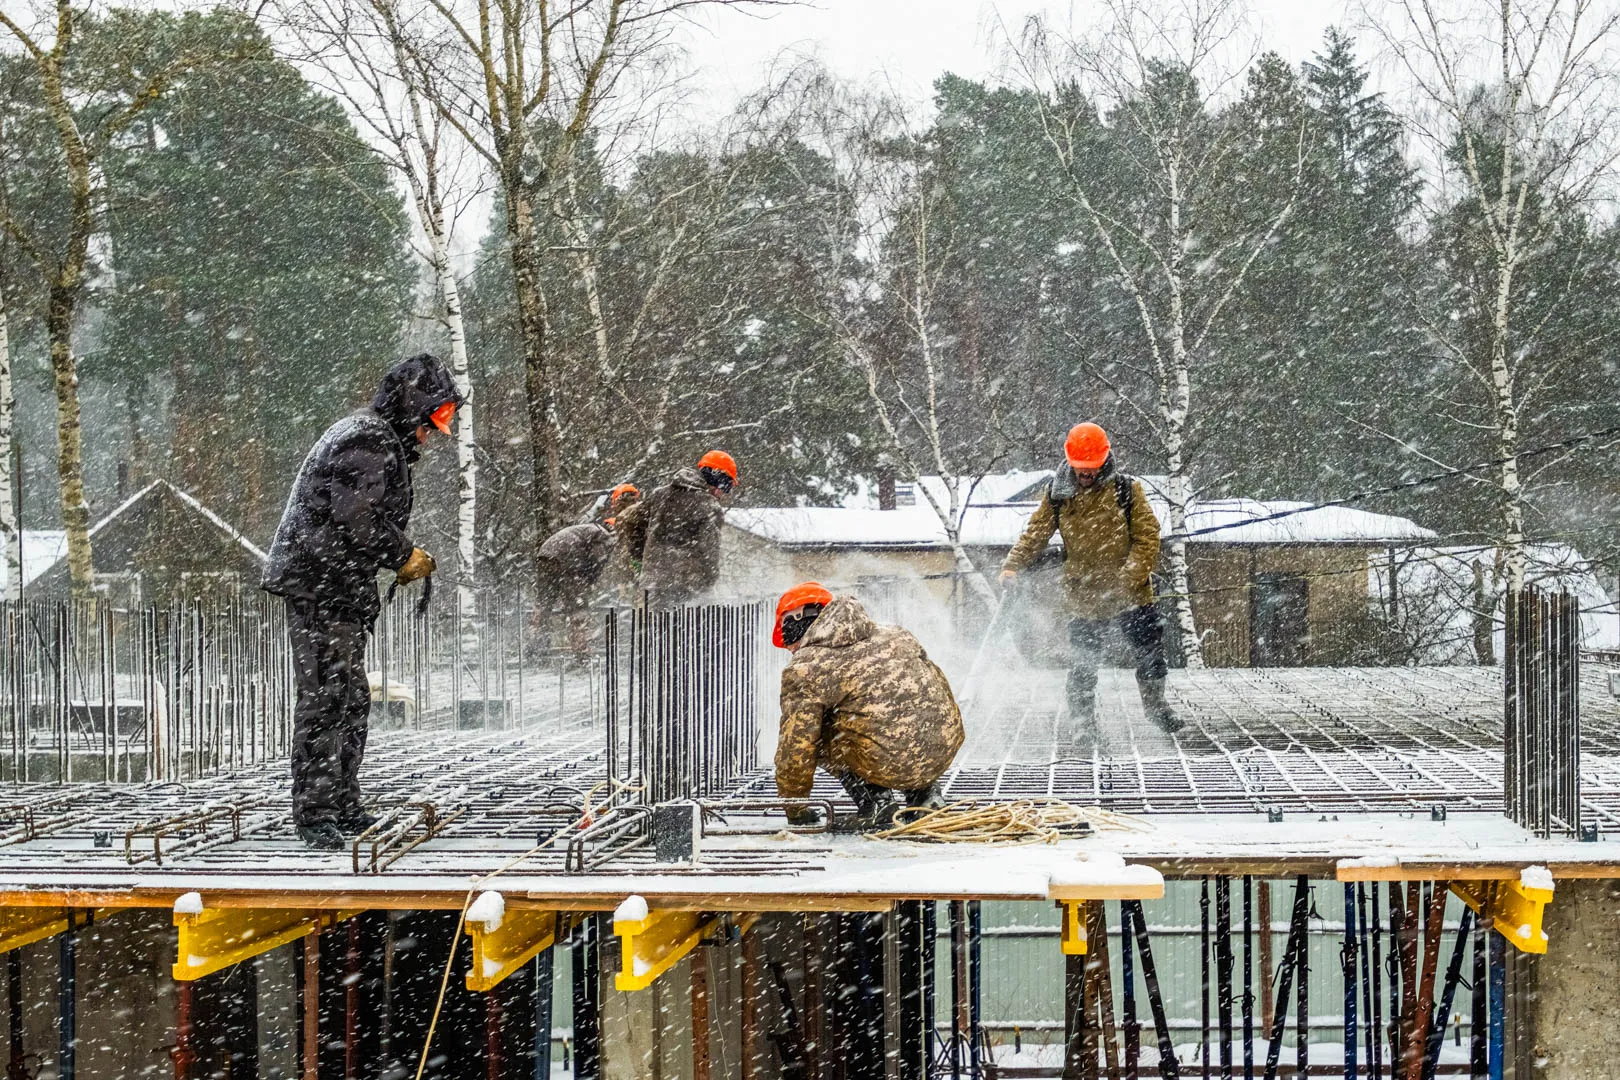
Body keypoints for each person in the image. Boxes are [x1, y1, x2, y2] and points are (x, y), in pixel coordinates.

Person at [263, 353, 463, 850]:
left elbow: (356, 519)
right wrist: (403, 555)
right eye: (432, 421)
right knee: (328, 699)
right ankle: (317, 814)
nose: (433, 435)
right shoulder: (368, 438)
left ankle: (342, 806)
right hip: (320, 585)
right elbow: (356, 519)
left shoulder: (374, 437)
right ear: (413, 409)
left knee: (348, 698)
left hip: (332, 584)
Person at [999, 422, 1181, 738]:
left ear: (1103, 461)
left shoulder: (1127, 490)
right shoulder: (1057, 495)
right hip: (1083, 595)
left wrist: (1129, 578)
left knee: (1150, 652)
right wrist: (1012, 566)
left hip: (1131, 594)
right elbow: (1035, 534)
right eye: (1081, 468)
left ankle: (1156, 707)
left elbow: (1147, 536)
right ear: (1071, 461)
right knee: (1084, 663)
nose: (1086, 474)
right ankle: (1083, 721)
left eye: (1092, 468)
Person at [772, 583, 964, 830]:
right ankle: (925, 795)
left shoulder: (807, 665)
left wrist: (795, 808)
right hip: (940, 750)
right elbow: (939, 688)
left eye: (787, 635)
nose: (789, 647)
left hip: (890, 761)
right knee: (903, 710)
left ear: (802, 621)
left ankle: (876, 804)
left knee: (815, 731)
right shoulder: (896, 633)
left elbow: (794, 747)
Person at [618, 451, 736, 608]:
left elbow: (626, 519)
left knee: (650, 631)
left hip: (651, 586)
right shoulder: (709, 506)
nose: (723, 494)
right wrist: (709, 581)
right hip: (687, 590)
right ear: (717, 480)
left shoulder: (659, 495)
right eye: (725, 487)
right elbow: (709, 553)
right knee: (687, 631)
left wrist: (640, 553)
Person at [535, 520, 616, 661]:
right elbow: (598, 560)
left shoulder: (584, 530)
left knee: (544, 603)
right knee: (578, 608)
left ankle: (536, 643)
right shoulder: (603, 536)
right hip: (567, 558)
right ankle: (581, 649)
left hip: (545, 555)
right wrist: (591, 582)